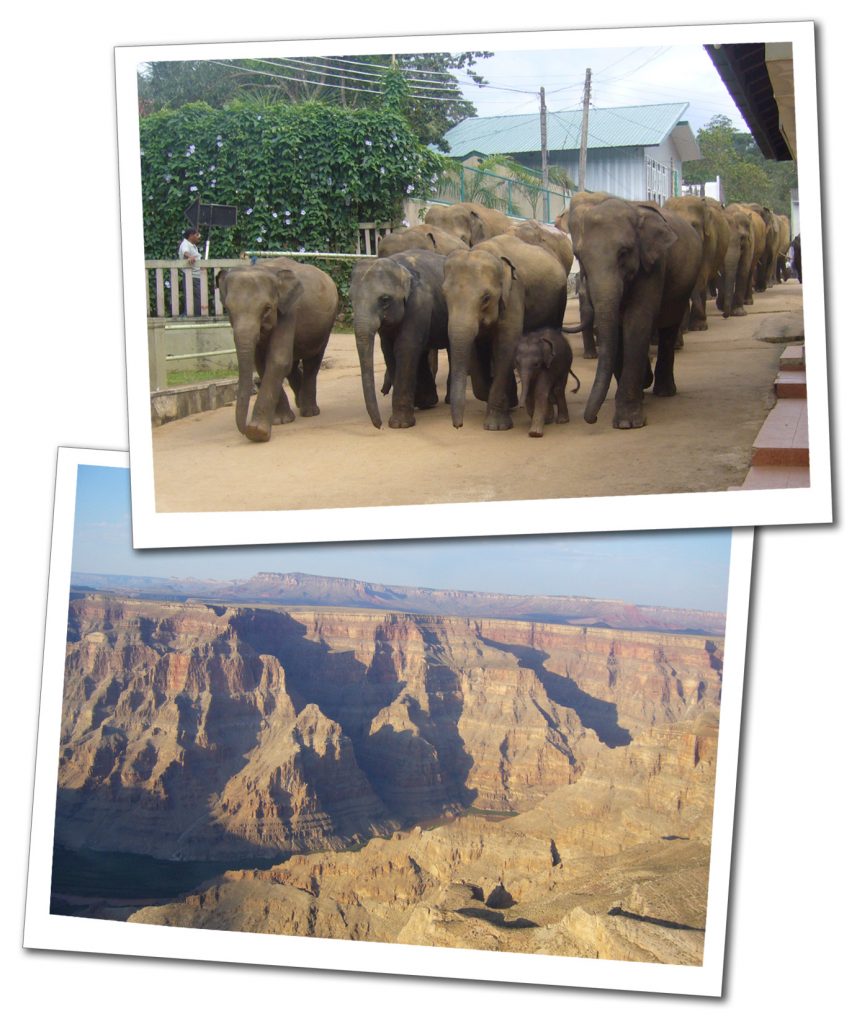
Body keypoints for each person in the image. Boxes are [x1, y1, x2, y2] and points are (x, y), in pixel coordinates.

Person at [178, 227, 203, 315]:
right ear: (191, 236)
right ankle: (193, 316)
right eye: (197, 235)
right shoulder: (185, 244)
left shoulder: (192, 245)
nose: (199, 237)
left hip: (196, 276)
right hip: (192, 276)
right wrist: (190, 256)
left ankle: (193, 315)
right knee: (195, 297)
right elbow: (185, 251)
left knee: (196, 297)